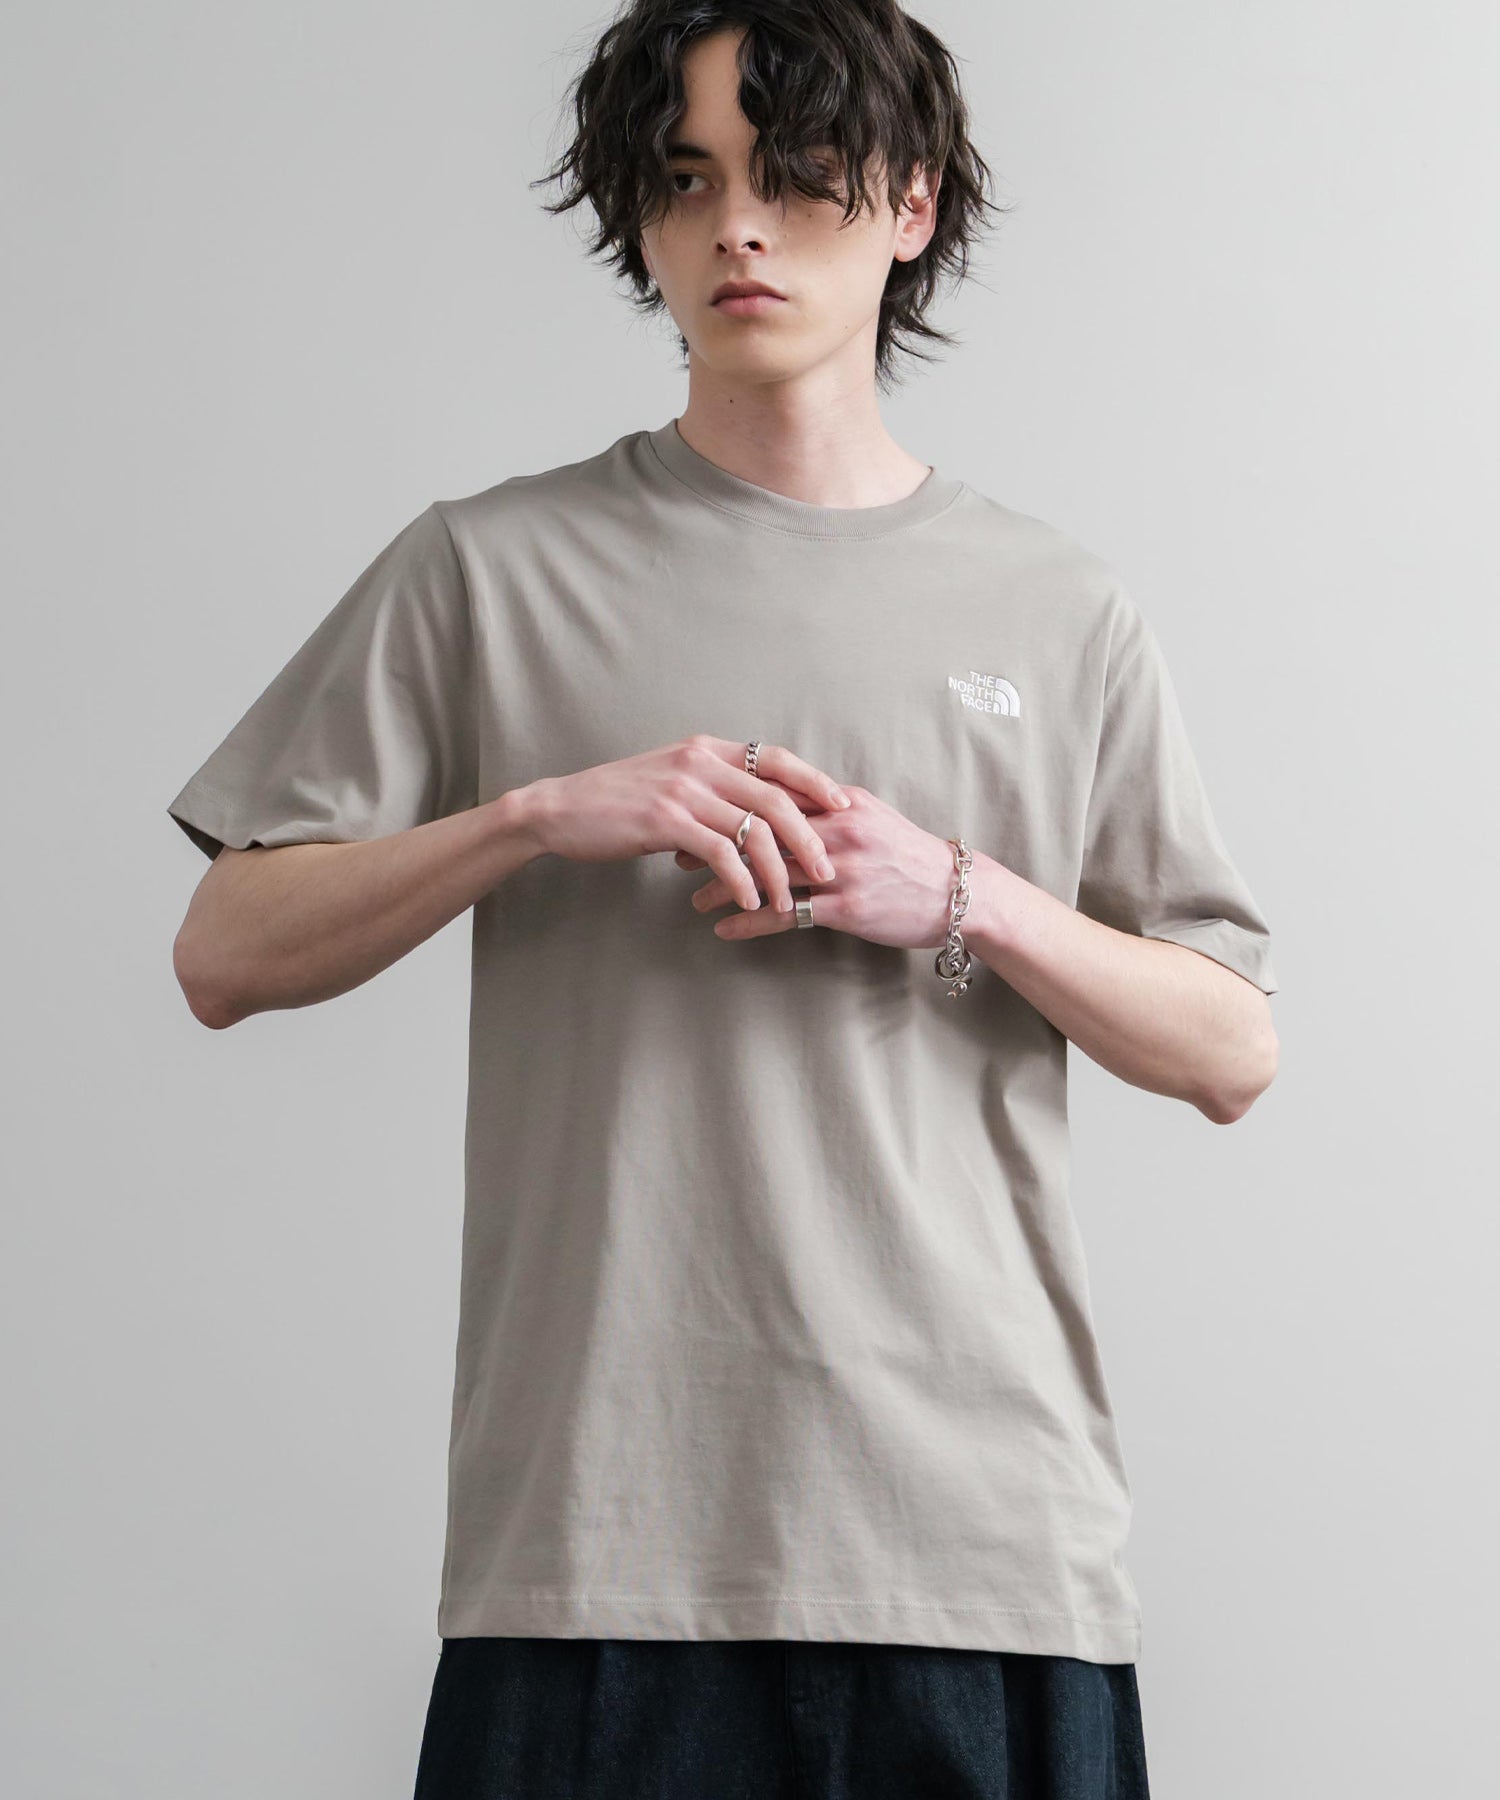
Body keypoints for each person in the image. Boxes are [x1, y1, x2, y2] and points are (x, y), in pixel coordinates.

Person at [166, 3, 1279, 1794]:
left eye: (797, 174)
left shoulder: (1061, 610)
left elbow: (1231, 1048)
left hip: (979, 1552)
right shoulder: (488, 568)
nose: (736, 229)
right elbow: (223, 951)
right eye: (685, 183)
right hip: (596, 1555)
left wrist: (959, 893)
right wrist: (534, 815)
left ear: (911, 204)